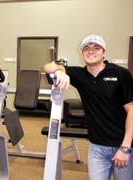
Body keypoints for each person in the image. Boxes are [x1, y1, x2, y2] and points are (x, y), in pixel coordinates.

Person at [44, 34, 133, 180]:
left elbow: (132, 110)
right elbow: (48, 66)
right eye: (86, 48)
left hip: (122, 145)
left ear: (104, 52)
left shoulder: (120, 74)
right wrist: (60, 71)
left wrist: (125, 147)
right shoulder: (80, 75)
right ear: (82, 53)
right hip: (96, 148)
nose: (91, 51)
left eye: (96, 48)